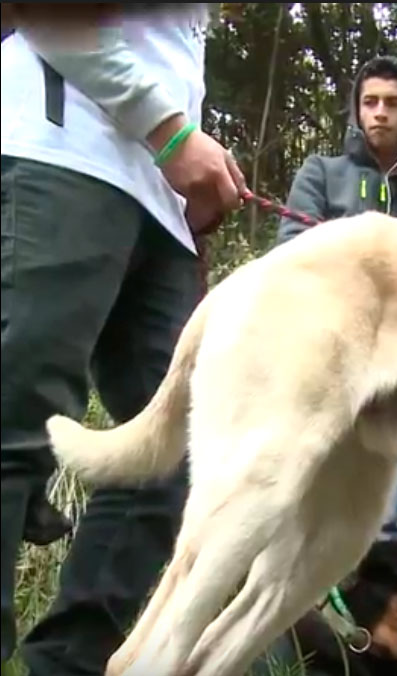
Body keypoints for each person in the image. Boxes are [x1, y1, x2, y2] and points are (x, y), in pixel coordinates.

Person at [0, 4, 246, 673]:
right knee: (16, 428)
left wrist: (184, 152)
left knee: (174, 456)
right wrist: (171, 135)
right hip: (59, 157)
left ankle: (66, 664)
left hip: (158, 208)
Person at [274, 55, 397, 544]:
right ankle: (291, 619)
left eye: (393, 103)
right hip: (321, 361)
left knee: (380, 522)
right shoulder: (321, 173)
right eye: (370, 102)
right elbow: (293, 250)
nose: (379, 112)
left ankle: (374, 616)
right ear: (356, 112)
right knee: (295, 502)